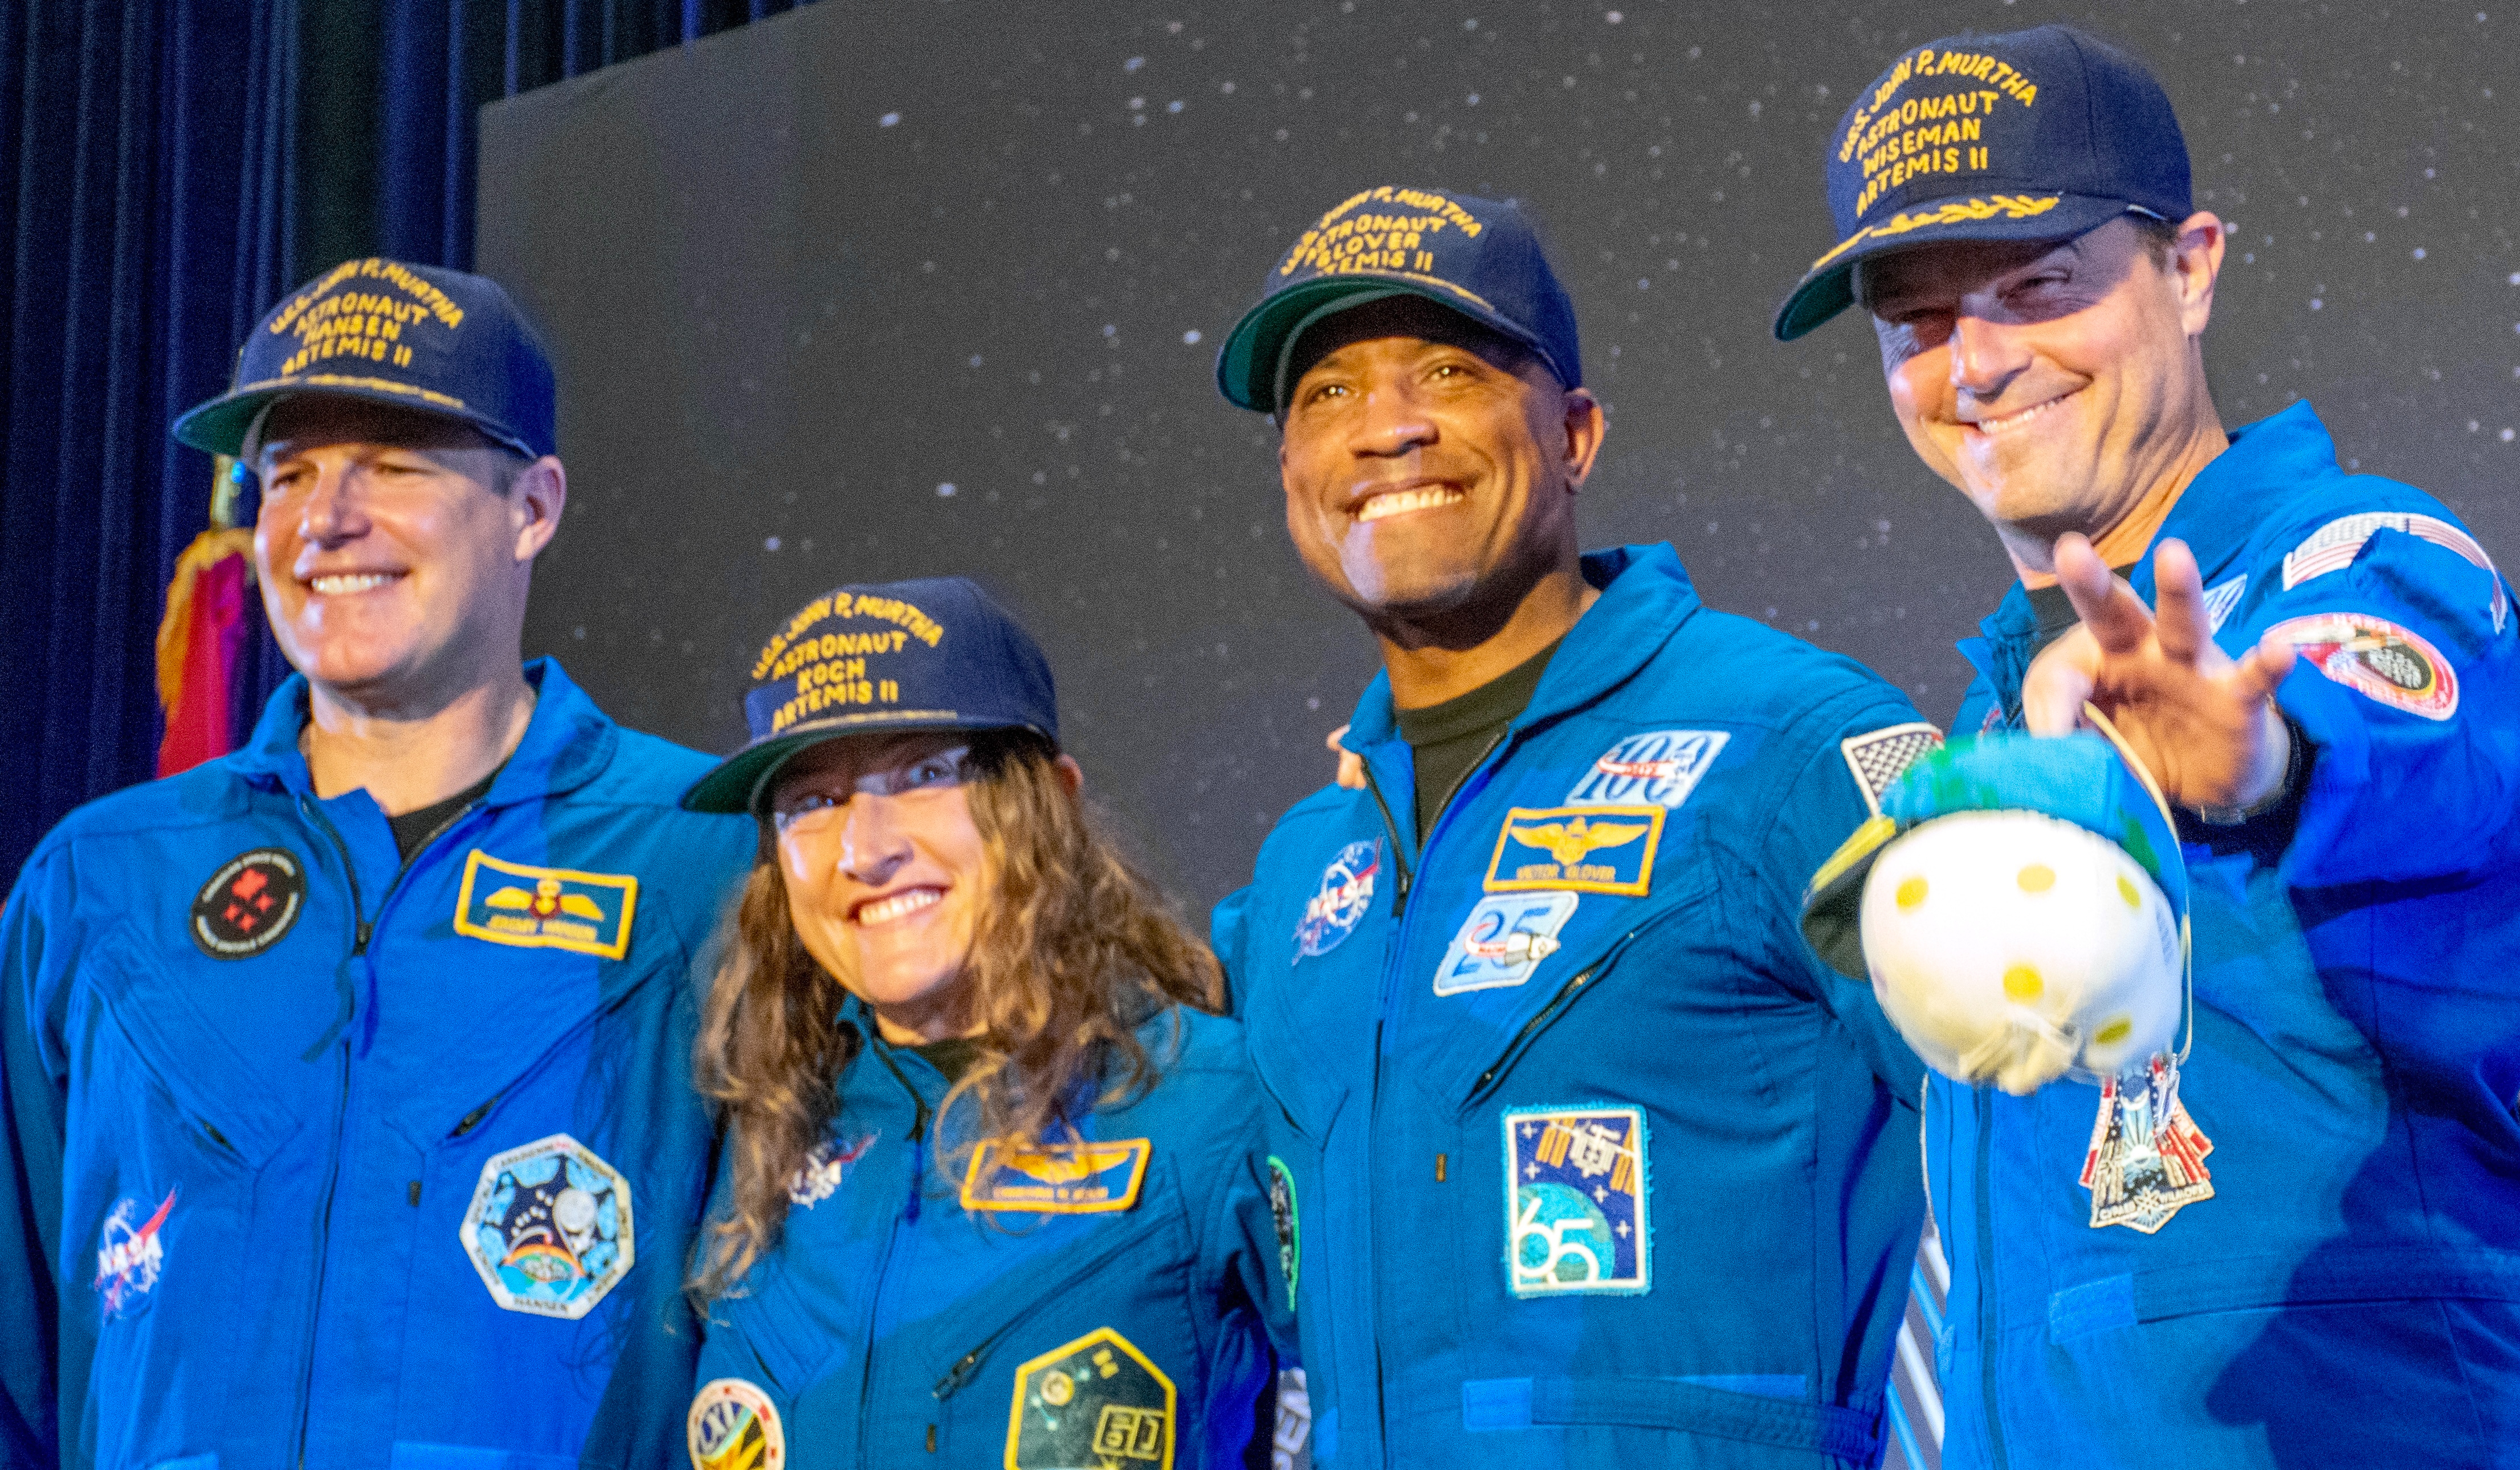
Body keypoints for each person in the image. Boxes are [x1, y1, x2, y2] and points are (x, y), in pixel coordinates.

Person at [1773, 24, 2520, 1464]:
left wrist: (2257, 762)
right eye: (1914, 321)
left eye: (2037, 286)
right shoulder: (1994, 719)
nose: (1973, 363)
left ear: (2191, 266)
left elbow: (2384, 718)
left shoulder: (2360, 555)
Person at [1206, 186, 1943, 1468]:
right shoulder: (1303, 876)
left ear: (1576, 436)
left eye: (1447, 368)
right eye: (1326, 394)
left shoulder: (1790, 743)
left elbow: (2041, 1132)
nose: (1388, 428)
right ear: (1290, 475)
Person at [0, 260, 752, 1468]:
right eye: (286, 473)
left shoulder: (708, 860)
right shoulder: (100, 884)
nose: (324, 519)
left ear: (535, 506)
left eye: (394, 464)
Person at [665, 577, 1294, 1468]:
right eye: (812, 801)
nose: (865, 849)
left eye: (925, 775)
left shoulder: (1212, 1106)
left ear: (1051, 803)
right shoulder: (758, 1128)